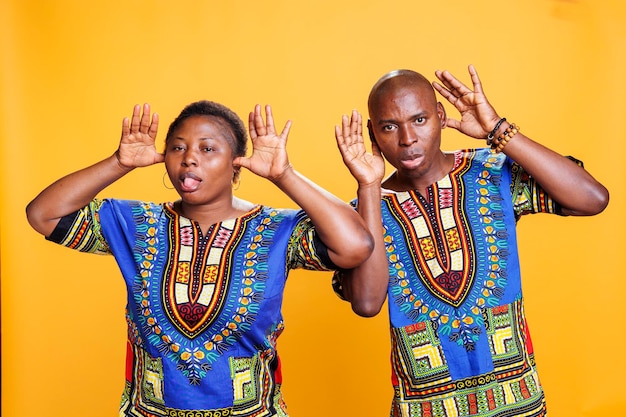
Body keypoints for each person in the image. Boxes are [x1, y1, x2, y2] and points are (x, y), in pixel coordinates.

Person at [26, 100, 373, 416]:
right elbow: (43, 215)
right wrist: (119, 163)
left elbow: (356, 245)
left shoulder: (277, 230)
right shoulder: (134, 225)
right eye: (178, 147)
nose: (189, 158)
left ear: (237, 164)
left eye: (208, 149)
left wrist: (284, 175)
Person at [333, 65, 609, 416]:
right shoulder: (366, 210)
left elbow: (592, 199)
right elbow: (367, 304)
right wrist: (369, 187)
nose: (407, 139)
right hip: (424, 407)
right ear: (373, 133)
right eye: (390, 127)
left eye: (419, 120)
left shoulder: (491, 172)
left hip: (517, 401)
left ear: (440, 116)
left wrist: (498, 131)